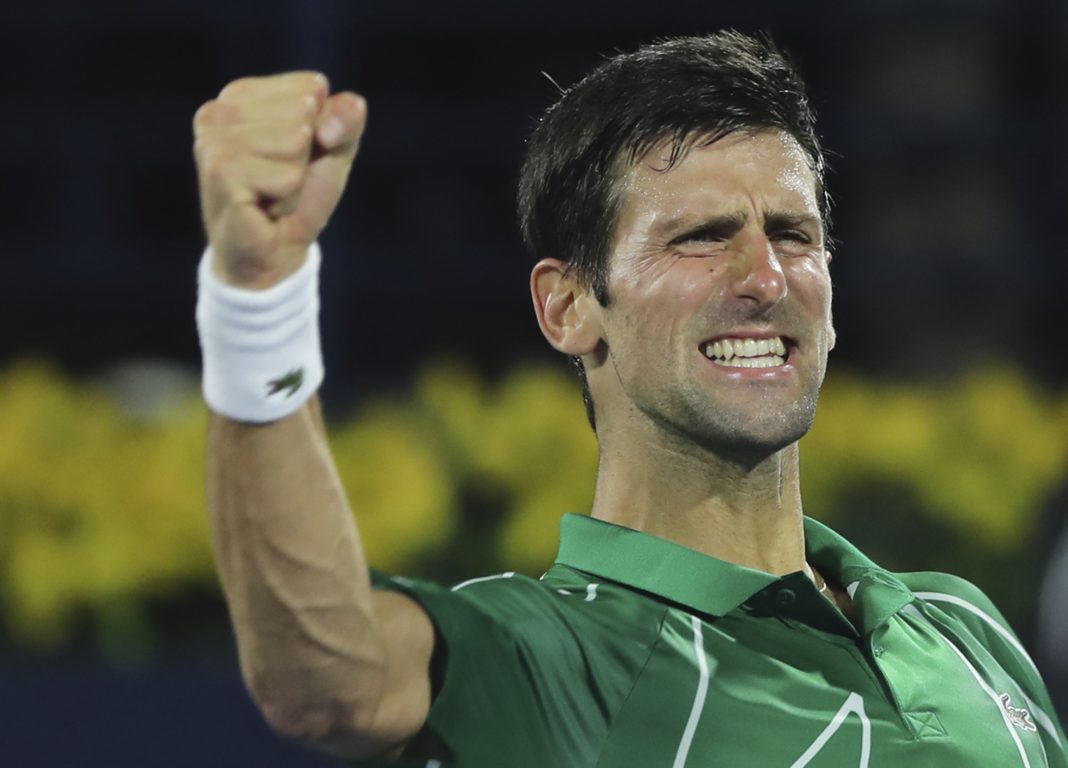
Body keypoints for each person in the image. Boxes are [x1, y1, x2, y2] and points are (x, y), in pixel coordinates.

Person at [192, 31, 1066, 767]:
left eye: (792, 234)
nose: (765, 278)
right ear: (568, 306)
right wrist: (258, 301)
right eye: (701, 238)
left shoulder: (961, 623)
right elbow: (326, 677)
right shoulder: (551, 656)